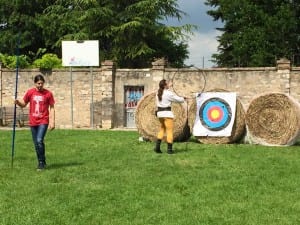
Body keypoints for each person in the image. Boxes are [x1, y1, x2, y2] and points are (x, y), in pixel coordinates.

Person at [15, 74, 55, 171]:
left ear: (44, 83)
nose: (40, 85)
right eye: (38, 83)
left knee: (39, 140)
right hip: (33, 122)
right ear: (35, 83)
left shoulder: (48, 94)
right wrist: (18, 102)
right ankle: (42, 161)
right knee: (36, 143)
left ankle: (41, 163)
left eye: (41, 83)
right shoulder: (30, 92)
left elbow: (52, 108)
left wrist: (52, 122)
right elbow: (24, 104)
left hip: (43, 120)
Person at [154, 79, 186, 154]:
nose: (169, 84)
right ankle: (169, 150)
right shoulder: (168, 93)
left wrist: (170, 88)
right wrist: (183, 98)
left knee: (162, 129)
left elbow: (168, 94)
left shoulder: (158, 93)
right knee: (169, 131)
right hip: (167, 115)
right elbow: (178, 99)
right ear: (165, 85)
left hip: (160, 114)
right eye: (167, 84)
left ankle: (157, 148)